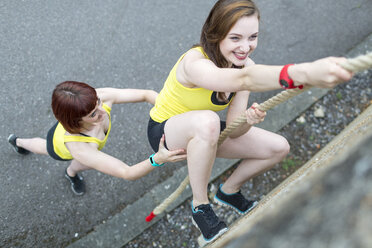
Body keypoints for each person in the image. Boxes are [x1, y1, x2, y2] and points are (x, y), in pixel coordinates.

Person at [147, 0, 353, 243]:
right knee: (209, 120)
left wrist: (249, 120)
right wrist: (302, 73)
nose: (246, 47)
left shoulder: (245, 65)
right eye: (235, 38)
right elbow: (244, 79)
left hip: (207, 129)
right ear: (216, 34)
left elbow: (235, 129)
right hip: (166, 131)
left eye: (252, 37)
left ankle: (229, 192)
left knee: (278, 148)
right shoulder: (194, 63)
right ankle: (200, 205)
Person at [8, 81, 186, 196]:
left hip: (90, 148)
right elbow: (127, 172)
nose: (103, 111)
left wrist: (174, 115)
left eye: (98, 103)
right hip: (61, 146)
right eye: (93, 114)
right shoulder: (80, 148)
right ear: (77, 121)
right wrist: (158, 159)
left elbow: (146, 94)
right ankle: (18, 142)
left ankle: (72, 172)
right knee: (44, 147)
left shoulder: (98, 98)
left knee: (85, 163)